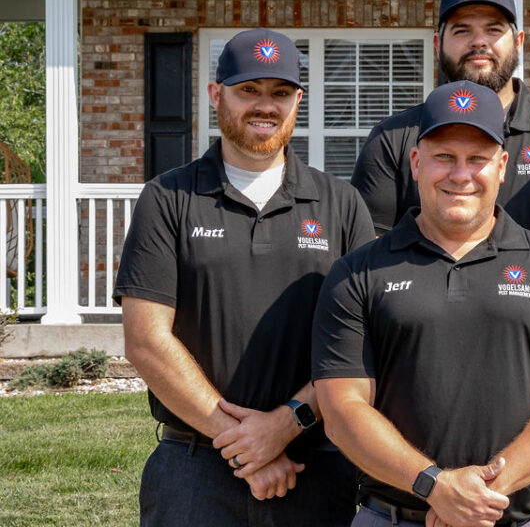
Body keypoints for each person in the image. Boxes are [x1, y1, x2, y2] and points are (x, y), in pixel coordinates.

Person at [313, 80, 530, 527]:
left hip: (522, 517)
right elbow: (342, 408)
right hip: (393, 517)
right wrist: (434, 485)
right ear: (416, 163)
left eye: (478, 159)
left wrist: (479, 495)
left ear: (503, 166)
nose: (461, 174)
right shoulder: (358, 273)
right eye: (444, 157)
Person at [116, 28, 375, 526]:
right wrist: (244, 444)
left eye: (279, 93)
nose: (265, 106)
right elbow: (145, 340)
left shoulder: (341, 205)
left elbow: (364, 343)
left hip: (314, 465)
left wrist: (284, 426)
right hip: (191, 470)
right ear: (216, 94)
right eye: (248, 90)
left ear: (298, 100)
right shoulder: (167, 198)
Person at [350, 0, 530, 243]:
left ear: (518, 43)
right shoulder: (392, 137)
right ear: (438, 45)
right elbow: (370, 253)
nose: (479, 42)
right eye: (462, 30)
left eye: (493, 29)